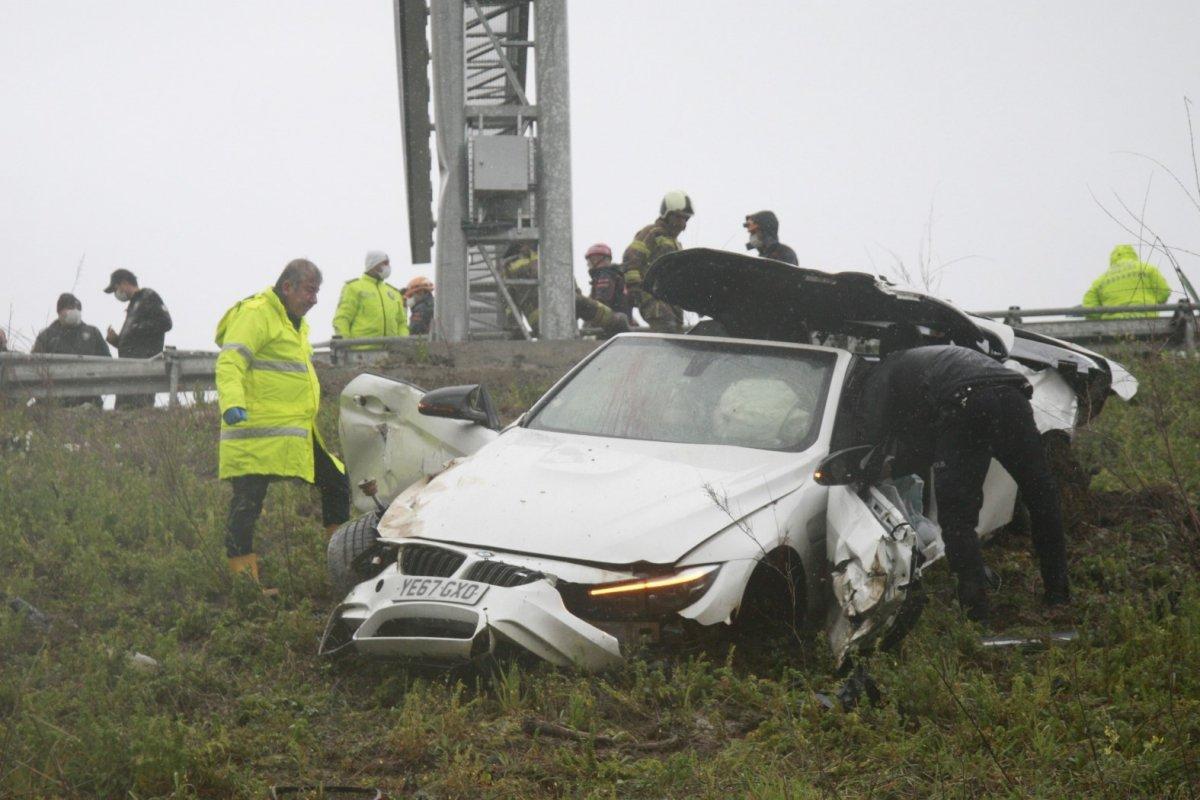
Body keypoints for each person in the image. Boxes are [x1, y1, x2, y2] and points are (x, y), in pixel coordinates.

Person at [855, 335, 1070, 623]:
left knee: (957, 516)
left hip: (968, 404)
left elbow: (872, 435)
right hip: (1012, 396)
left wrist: (866, 468)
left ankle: (975, 614)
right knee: (1041, 496)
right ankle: (1059, 596)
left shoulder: (884, 372)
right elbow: (931, 442)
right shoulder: (937, 358)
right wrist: (901, 465)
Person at [214, 259, 350, 586]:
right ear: (287, 287)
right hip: (253, 435)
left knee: (337, 481)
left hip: (292, 435)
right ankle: (245, 586)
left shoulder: (294, 324)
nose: (314, 299)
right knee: (246, 506)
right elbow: (230, 363)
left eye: (317, 292)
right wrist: (231, 403)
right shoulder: (257, 314)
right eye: (309, 290)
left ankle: (342, 567)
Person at [501, 244, 628, 337]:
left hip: (544, 322)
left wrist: (516, 331)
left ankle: (613, 322)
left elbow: (509, 305)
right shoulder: (535, 257)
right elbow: (567, 282)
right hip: (556, 315)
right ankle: (615, 322)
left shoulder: (511, 267)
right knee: (579, 304)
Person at [622, 191, 694, 331]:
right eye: (678, 218)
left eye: (685, 219)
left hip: (672, 301)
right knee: (666, 326)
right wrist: (637, 290)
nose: (682, 223)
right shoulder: (652, 233)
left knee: (677, 341)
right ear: (666, 215)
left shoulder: (676, 244)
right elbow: (631, 257)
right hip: (652, 297)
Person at [103, 268, 173, 408]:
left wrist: (136, 328)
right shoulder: (133, 306)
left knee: (140, 408)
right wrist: (117, 341)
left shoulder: (148, 296)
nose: (117, 294)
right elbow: (133, 342)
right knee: (124, 411)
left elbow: (166, 323)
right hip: (128, 371)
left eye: (116, 289)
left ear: (124, 283)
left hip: (145, 368)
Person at [32, 293, 111, 407]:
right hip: (55, 400)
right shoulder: (47, 336)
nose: (75, 311)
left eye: (78, 308)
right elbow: (35, 366)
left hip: (89, 399)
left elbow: (107, 362)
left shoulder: (92, 333)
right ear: (59, 311)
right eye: (70, 308)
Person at [332, 250, 409, 347]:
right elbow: (342, 319)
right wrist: (346, 346)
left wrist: (403, 344)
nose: (388, 266)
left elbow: (401, 323)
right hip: (361, 354)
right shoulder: (354, 288)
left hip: (392, 354)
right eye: (385, 263)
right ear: (374, 264)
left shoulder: (393, 292)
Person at [1082, 244, 1172, 319]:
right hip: (1147, 319)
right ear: (1134, 255)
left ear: (1112, 259)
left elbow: (1089, 305)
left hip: (1113, 323)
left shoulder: (1101, 280)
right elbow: (1164, 292)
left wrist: (1101, 317)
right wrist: (1152, 304)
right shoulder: (1148, 269)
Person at [586, 243, 631, 317]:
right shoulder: (616, 275)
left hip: (609, 323)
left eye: (590, 259)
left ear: (597, 259)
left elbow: (601, 302)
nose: (588, 264)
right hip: (620, 320)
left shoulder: (605, 275)